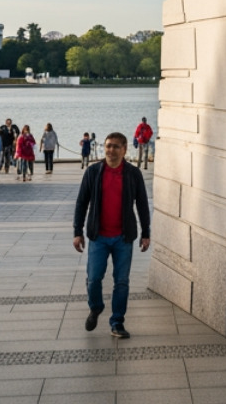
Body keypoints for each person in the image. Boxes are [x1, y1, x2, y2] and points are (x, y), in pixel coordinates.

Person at [73, 131, 151, 338]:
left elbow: (142, 205)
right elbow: (81, 203)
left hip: (123, 238)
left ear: (125, 149)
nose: (111, 150)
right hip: (98, 237)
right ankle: (96, 307)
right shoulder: (93, 172)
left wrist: (146, 233)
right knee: (93, 279)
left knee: (122, 281)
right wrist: (77, 232)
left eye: (116, 146)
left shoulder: (133, 174)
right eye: (108, 146)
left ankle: (117, 322)